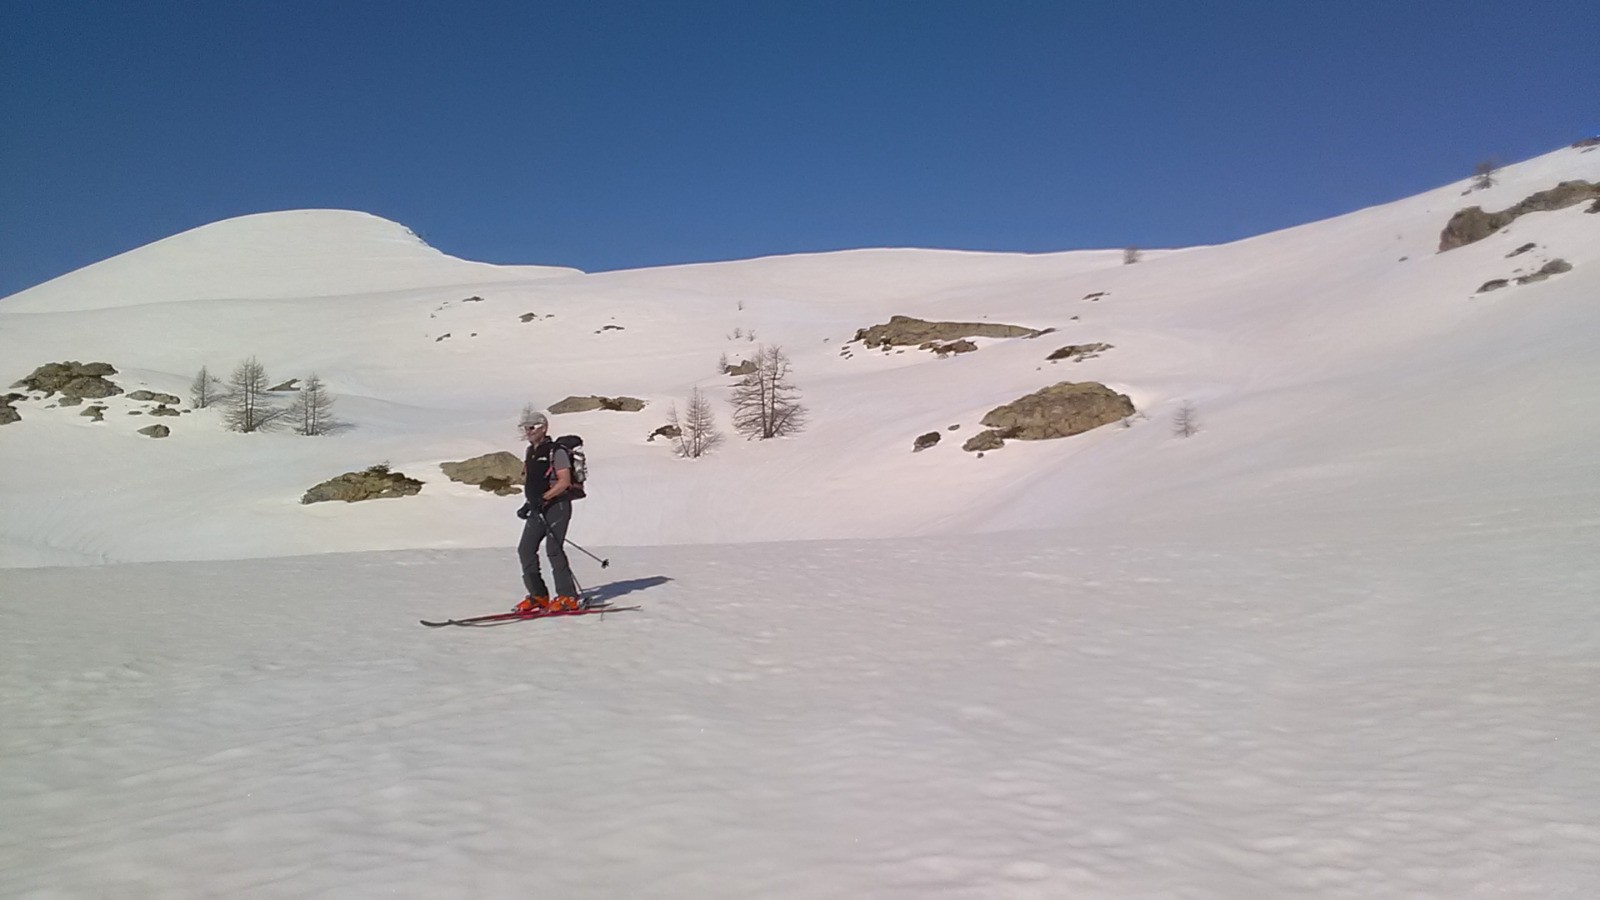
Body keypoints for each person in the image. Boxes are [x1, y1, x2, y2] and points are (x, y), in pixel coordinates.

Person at [513, 411, 581, 613]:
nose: (528, 431)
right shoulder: (530, 451)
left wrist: (544, 498)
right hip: (538, 507)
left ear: (543, 427)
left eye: (532, 427)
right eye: (525, 428)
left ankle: (568, 596)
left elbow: (564, 482)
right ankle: (538, 596)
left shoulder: (555, 451)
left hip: (557, 506)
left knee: (553, 549)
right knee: (525, 549)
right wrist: (529, 504)